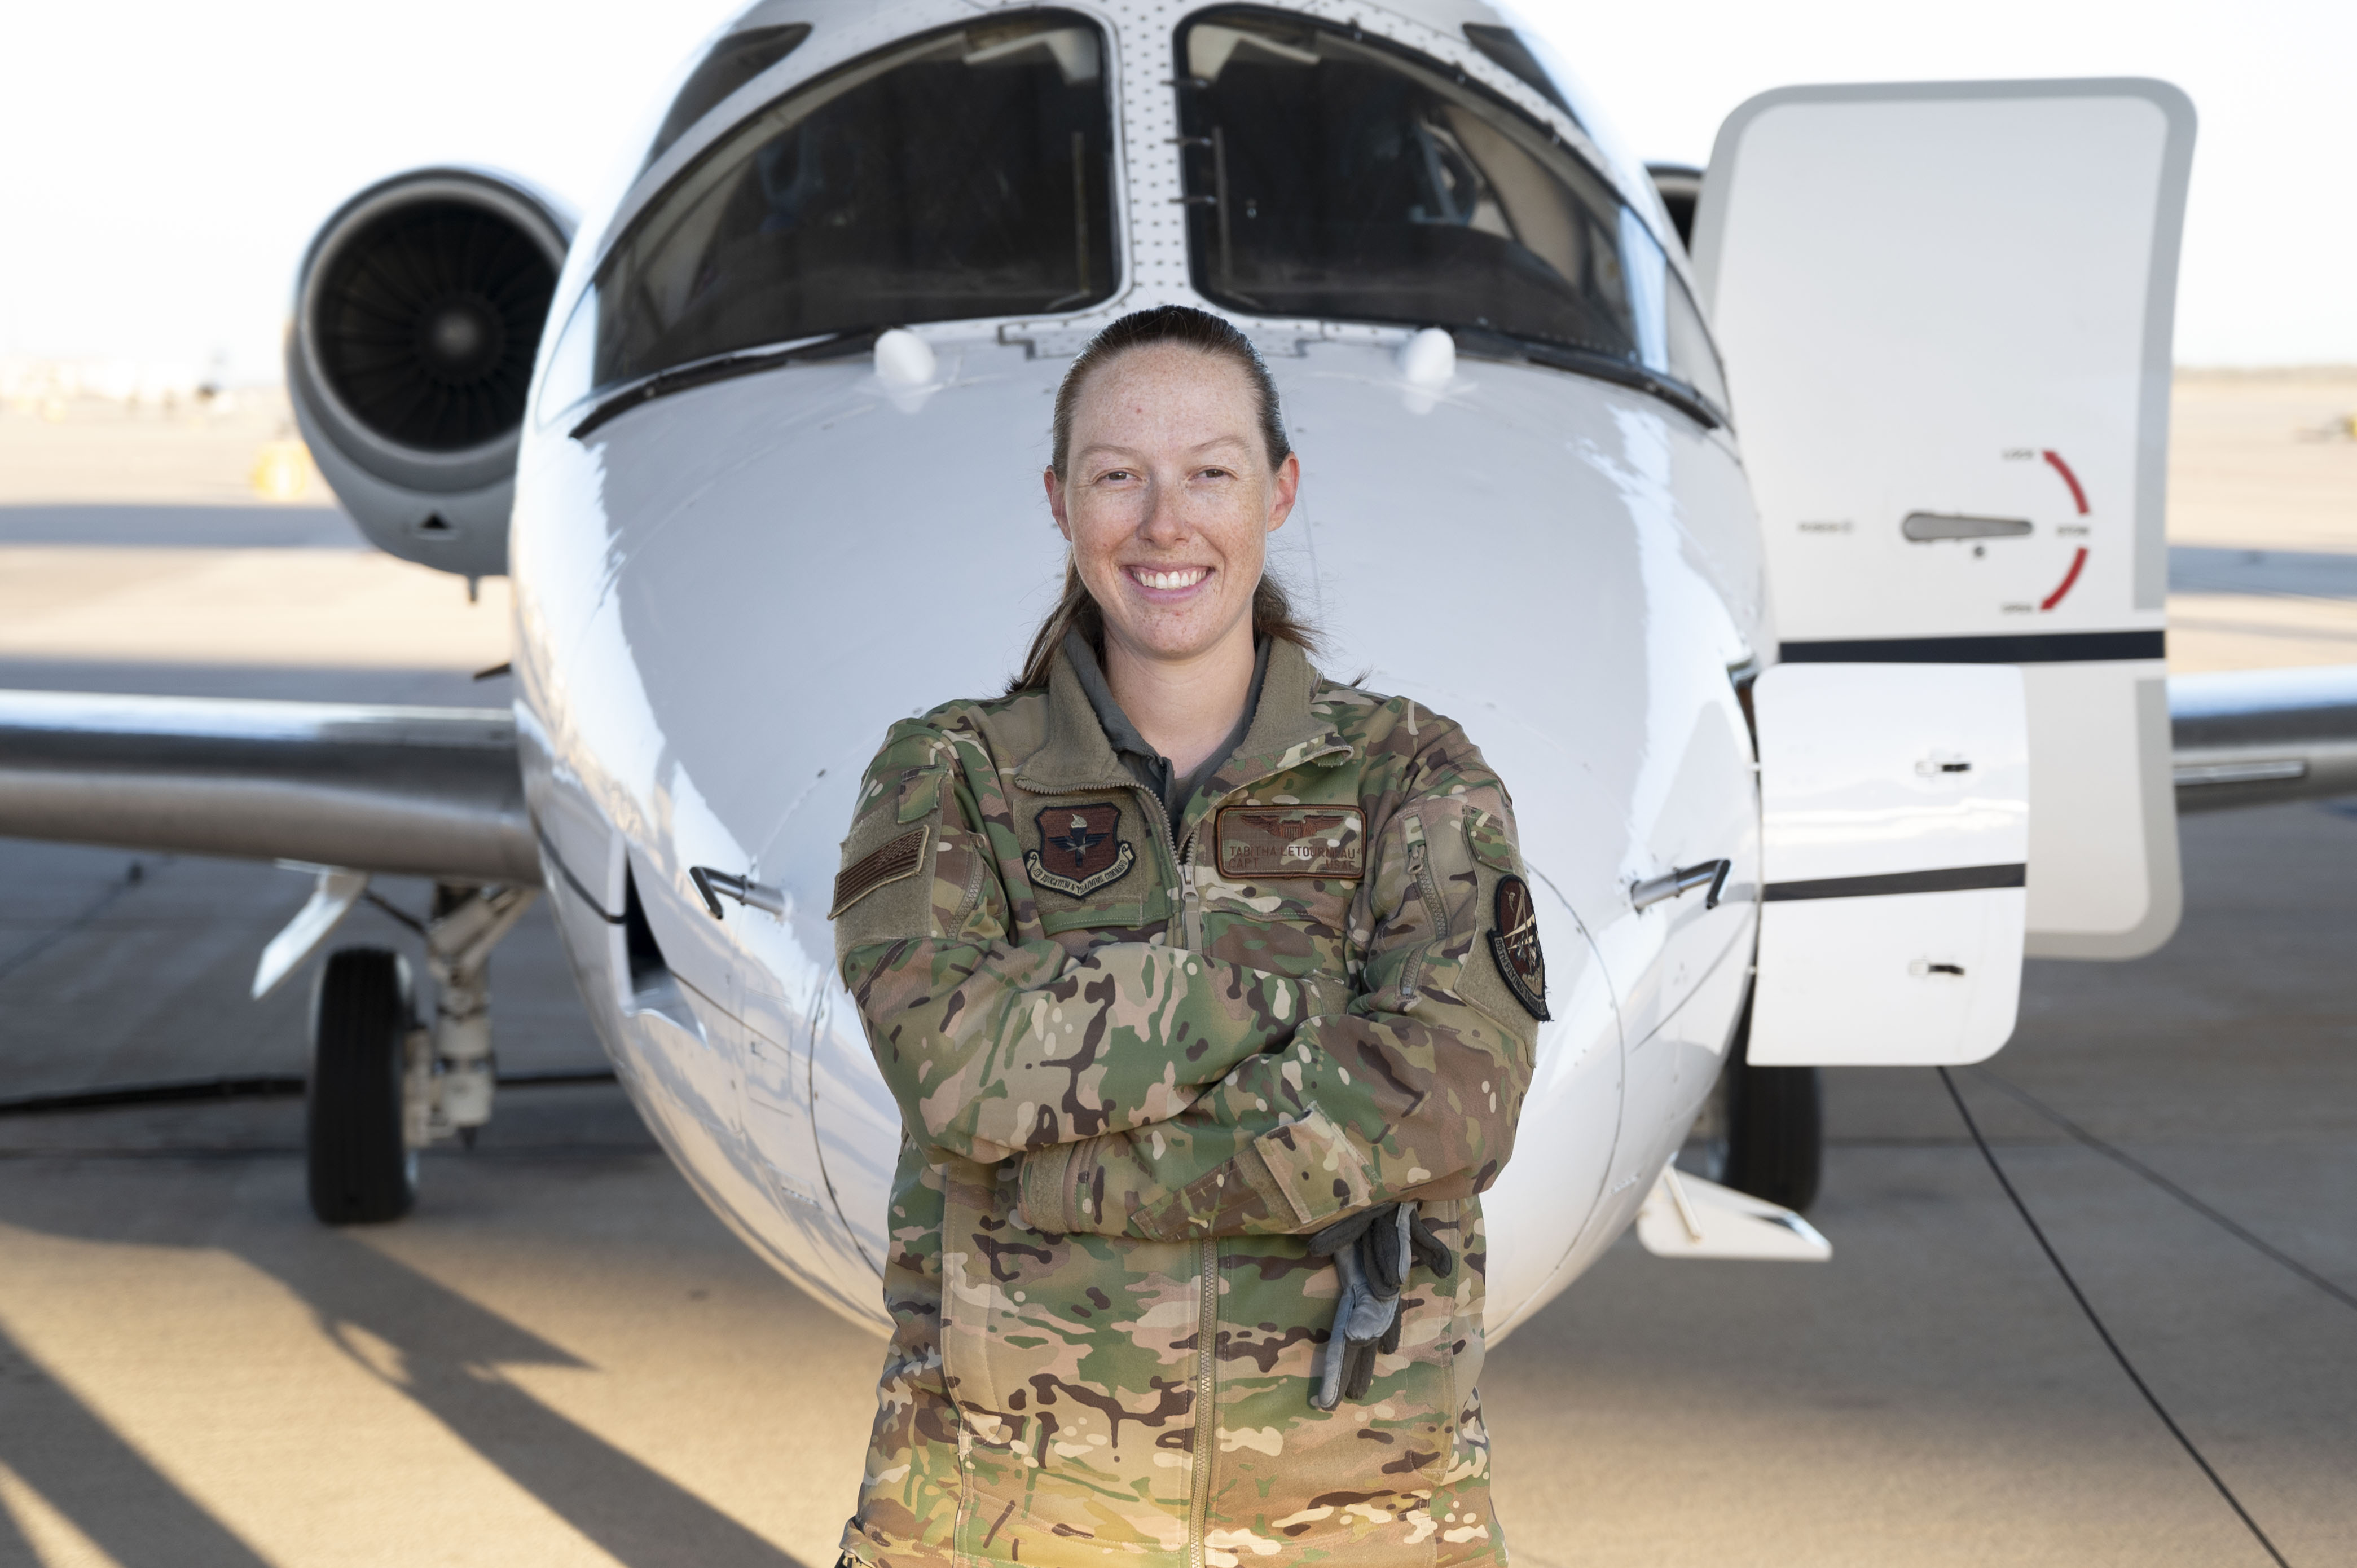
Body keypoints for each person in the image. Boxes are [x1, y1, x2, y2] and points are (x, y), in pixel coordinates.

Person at [829, 305, 1544, 1567]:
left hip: (1362, 1513)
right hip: (1003, 1512)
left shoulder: (1408, 772)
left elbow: (1454, 1093)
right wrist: (1265, 1005)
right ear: (1061, 500)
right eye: (1119, 476)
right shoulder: (952, 773)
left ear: (1278, 490)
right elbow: (951, 1068)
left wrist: (1074, 1172)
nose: (1166, 521)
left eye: (1210, 472)